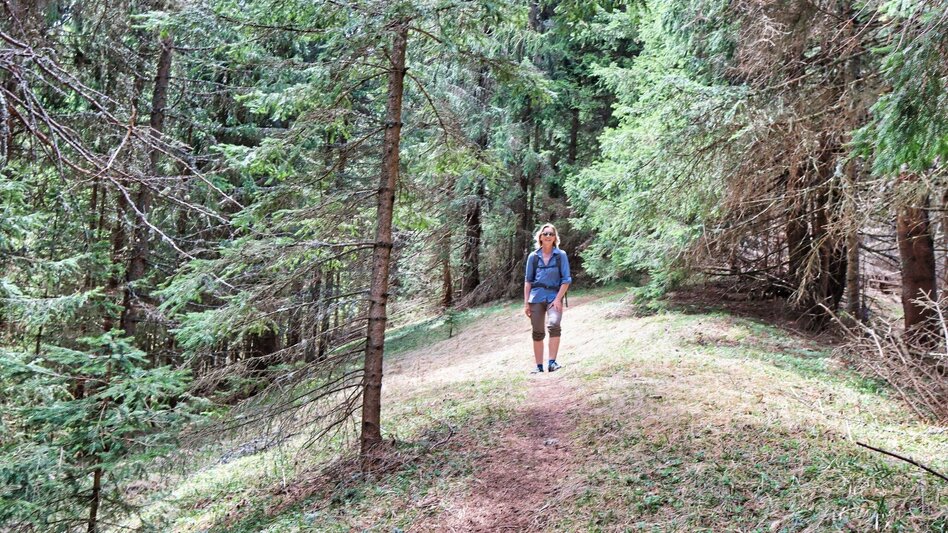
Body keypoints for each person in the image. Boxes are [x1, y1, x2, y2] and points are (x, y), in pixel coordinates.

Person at [523, 223, 571, 373]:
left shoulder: (561, 255)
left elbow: (566, 280)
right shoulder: (533, 257)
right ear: (540, 237)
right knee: (537, 331)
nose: (548, 236)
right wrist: (526, 303)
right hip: (536, 297)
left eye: (551, 234)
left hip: (554, 296)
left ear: (555, 237)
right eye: (545, 234)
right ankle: (538, 366)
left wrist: (558, 299)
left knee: (554, 324)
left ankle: (552, 363)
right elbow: (528, 281)